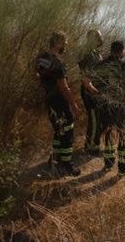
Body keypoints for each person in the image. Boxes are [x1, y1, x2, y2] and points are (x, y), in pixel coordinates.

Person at [36, 31, 82, 177]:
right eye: (65, 42)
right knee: (68, 130)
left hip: (48, 100)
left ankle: (55, 160)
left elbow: (36, 75)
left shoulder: (41, 58)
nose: (66, 45)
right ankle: (67, 165)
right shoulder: (58, 62)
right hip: (59, 102)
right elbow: (64, 87)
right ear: (58, 43)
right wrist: (74, 106)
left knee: (58, 129)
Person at [93, 40, 125, 176]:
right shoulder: (123, 65)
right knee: (123, 134)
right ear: (121, 51)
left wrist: (97, 93)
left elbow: (86, 80)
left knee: (108, 132)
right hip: (120, 105)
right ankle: (123, 168)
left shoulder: (101, 64)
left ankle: (108, 163)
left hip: (106, 105)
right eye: (124, 51)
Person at [78, 29, 104, 156]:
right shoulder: (86, 53)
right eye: (98, 36)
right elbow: (84, 76)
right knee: (94, 119)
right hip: (90, 91)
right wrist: (92, 89)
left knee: (98, 118)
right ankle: (90, 147)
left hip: (98, 91)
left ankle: (95, 144)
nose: (100, 39)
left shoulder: (96, 53)